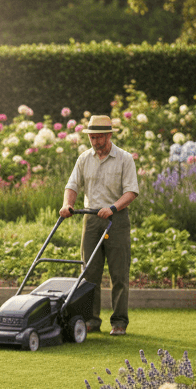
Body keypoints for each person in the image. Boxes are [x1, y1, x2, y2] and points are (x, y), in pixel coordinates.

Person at [59, 114, 139, 337]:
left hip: (117, 219)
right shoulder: (84, 158)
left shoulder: (124, 159)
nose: (95, 142)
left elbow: (131, 191)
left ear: (109, 135)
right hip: (91, 218)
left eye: (98, 138)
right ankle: (91, 320)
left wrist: (113, 208)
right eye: (92, 138)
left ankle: (119, 322)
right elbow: (72, 185)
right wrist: (67, 204)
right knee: (88, 272)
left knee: (119, 272)